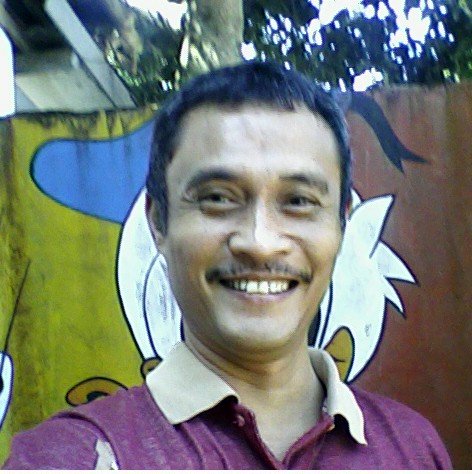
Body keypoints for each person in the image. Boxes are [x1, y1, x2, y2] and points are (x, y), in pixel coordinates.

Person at [3, 61, 452, 469]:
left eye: (298, 201)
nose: (260, 243)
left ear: (341, 225)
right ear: (158, 223)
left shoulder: (414, 450)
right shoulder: (69, 456)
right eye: (217, 198)